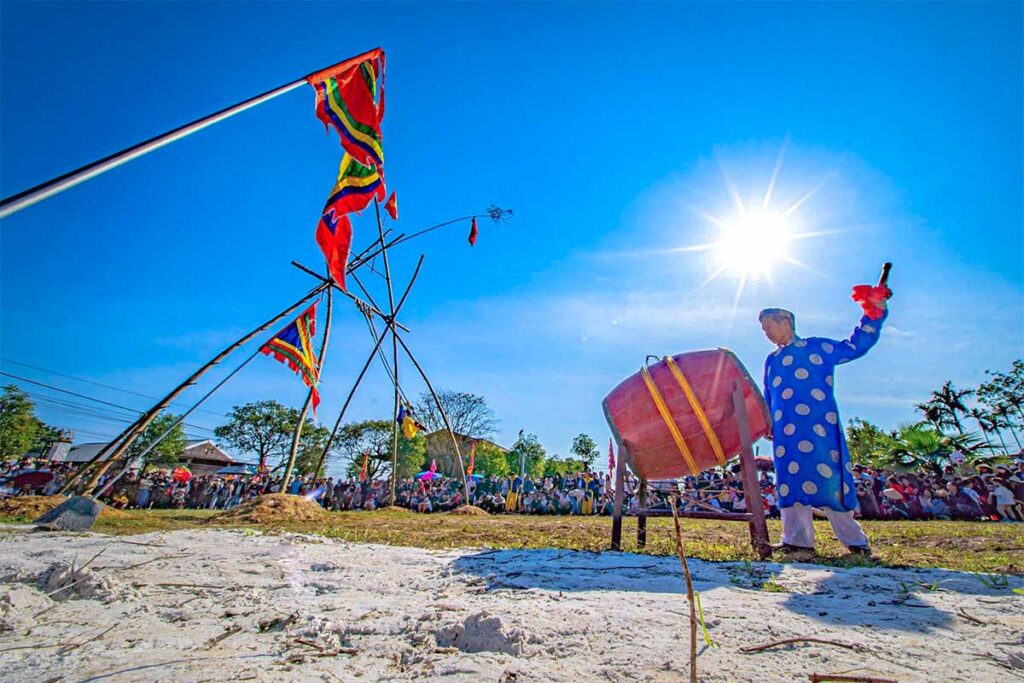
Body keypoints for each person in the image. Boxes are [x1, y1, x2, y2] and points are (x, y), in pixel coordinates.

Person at [760, 294, 889, 556]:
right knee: (789, 482)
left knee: (829, 479)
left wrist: (873, 314)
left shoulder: (817, 347)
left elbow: (854, 346)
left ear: (785, 322)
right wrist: (767, 422)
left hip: (820, 426)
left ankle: (855, 541)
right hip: (785, 431)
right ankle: (797, 541)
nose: (766, 333)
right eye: (763, 329)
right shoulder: (772, 360)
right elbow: (768, 394)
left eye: (768, 326)